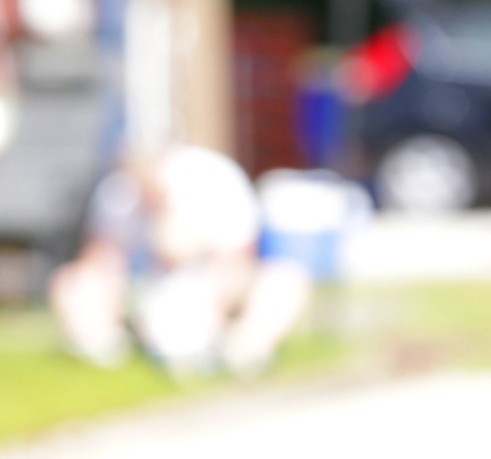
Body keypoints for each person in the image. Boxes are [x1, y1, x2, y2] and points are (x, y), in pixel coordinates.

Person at [50, 140, 308, 379]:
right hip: (143, 294)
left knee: (285, 280)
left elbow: (235, 263)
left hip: (212, 291)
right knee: (73, 282)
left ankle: (244, 349)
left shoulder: (215, 180)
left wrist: (208, 310)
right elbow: (98, 260)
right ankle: (104, 348)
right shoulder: (117, 194)